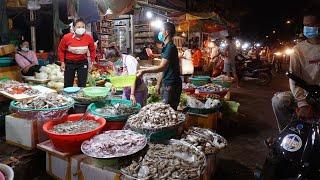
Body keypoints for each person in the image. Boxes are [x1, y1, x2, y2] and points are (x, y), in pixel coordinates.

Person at [271, 10, 320, 132]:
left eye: (311, 25)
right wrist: (302, 103)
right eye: (305, 25)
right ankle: (286, 133)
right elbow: (293, 78)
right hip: (305, 94)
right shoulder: (298, 49)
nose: (307, 28)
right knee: (278, 101)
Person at [137, 22, 182, 110]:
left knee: (168, 111)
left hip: (171, 85)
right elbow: (165, 69)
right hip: (168, 84)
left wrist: (143, 71)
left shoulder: (170, 47)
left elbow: (162, 67)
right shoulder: (167, 47)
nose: (160, 33)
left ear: (166, 32)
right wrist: (158, 83)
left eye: (161, 30)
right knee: (166, 110)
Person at [58, 19, 95, 87]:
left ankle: (80, 97)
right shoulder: (66, 37)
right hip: (69, 63)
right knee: (68, 84)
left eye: (83, 27)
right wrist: (62, 62)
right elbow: (61, 50)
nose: (81, 29)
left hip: (82, 62)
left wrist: (92, 62)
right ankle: (67, 97)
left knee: (82, 84)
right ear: (74, 28)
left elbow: (92, 50)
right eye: (78, 27)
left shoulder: (89, 38)